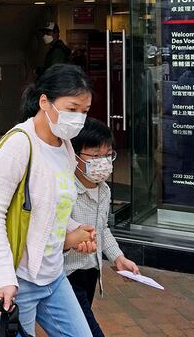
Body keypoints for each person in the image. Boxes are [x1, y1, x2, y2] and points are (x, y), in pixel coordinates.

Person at [0, 64, 97, 336]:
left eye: (84, 111)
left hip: (53, 276)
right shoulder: (18, 145)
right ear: (44, 101)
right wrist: (5, 280)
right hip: (15, 281)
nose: (79, 119)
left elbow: (51, 208)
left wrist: (74, 231)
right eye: (72, 109)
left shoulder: (66, 146)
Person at [65, 118, 139, 337]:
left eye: (108, 155)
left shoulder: (104, 190)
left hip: (91, 271)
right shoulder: (66, 190)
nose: (103, 162)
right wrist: (73, 241)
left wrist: (118, 258)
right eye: (95, 156)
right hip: (65, 275)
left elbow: (103, 228)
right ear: (75, 156)